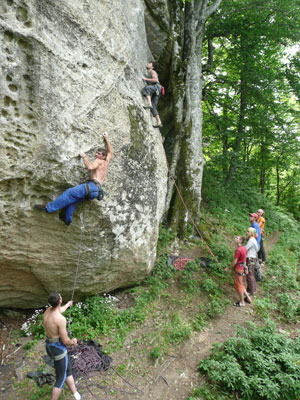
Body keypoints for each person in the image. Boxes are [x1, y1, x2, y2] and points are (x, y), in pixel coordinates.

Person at [34, 133, 113, 225]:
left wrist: (84, 157)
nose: (96, 154)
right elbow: (110, 152)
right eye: (96, 152)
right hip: (95, 192)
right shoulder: (106, 162)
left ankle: (48, 208)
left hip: (91, 187)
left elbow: (90, 167)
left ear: (103, 156)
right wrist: (106, 138)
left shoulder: (98, 161)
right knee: (73, 201)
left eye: (99, 154)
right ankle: (67, 220)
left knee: (69, 193)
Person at [43, 292, 81, 400]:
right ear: (59, 300)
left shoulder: (47, 311)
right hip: (58, 348)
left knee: (67, 369)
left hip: (50, 346)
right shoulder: (60, 319)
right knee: (61, 378)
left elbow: (58, 310)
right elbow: (65, 341)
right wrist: (73, 341)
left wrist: (68, 304)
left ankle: (75, 393)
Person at [225, 236, 251, 307]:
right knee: (241, 283)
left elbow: (234, 262)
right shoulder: (244, 248)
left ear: (240, 241)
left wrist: (228, 268)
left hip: (239, 268)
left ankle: (242, 302)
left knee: (238, 285)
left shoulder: (238, 250)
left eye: (237, 238)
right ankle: (248, 298)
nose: (235, 238)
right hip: (243, 267)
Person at [142, 61, 163, 128]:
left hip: (156, 87)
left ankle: (149, 103)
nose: (147, 64)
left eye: (149, 64)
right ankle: (159, 122)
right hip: (158, 90)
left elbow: (155, 80)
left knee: (146, 89)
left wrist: (145, 79)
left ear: (152, 67)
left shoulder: (152, 71)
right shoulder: (150, 72)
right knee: (154, 106)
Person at [245, 227, 258, 297]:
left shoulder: (251, 240)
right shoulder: (254, 240)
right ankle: (253, 289)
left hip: (250, 259)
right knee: (251, 274)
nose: (246, 233)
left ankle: (251, 291)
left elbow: (245, 249)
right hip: (253, 258)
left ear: (251, 233)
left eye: (248, 231)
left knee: (249, 274)